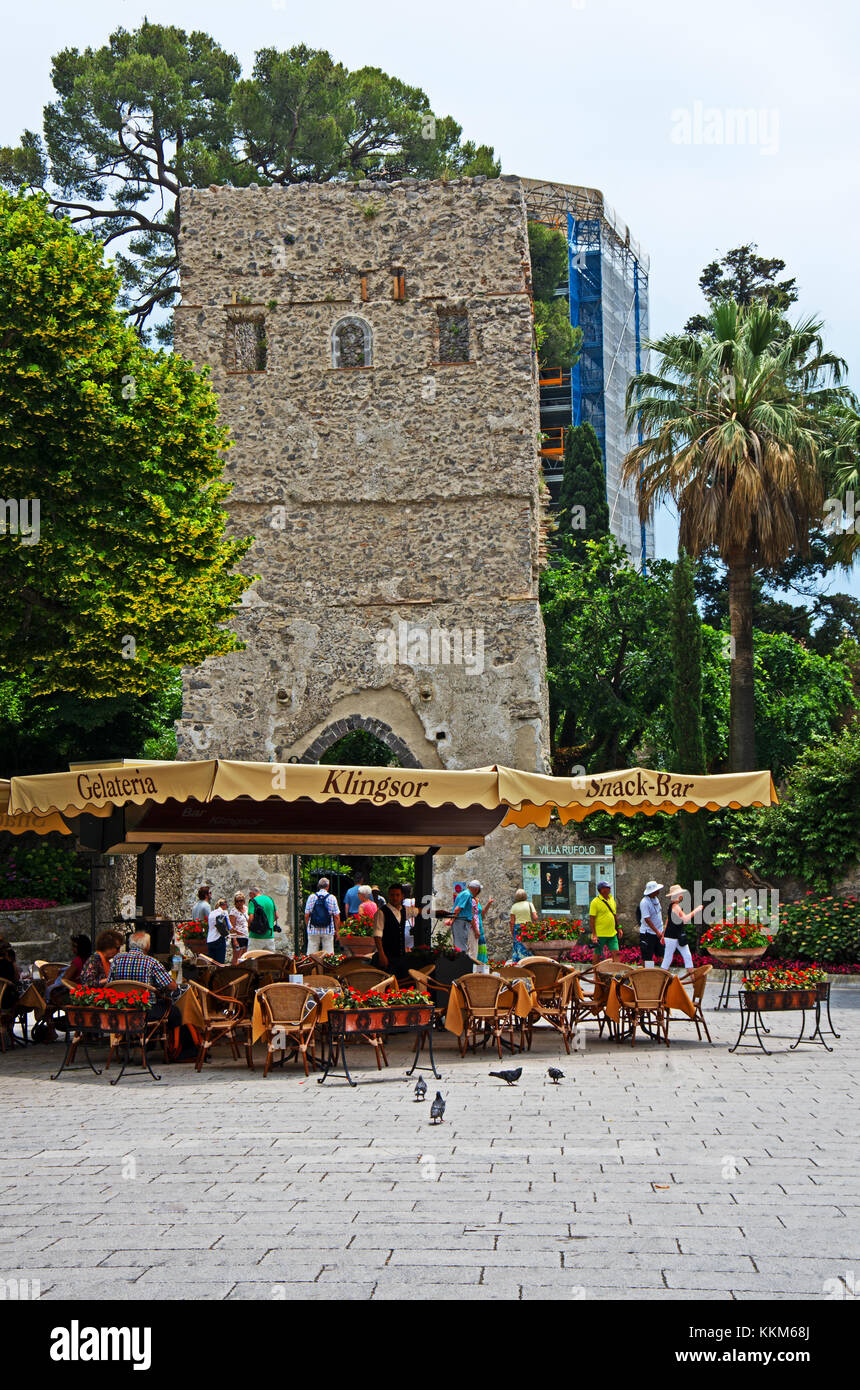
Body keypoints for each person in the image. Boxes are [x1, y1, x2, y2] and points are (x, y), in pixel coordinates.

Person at [106, 930, 181, 1032]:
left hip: (121, 1008)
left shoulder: (117, 959)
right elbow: (171, 986)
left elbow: (109, 983)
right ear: (147, 946)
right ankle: (173, 1045)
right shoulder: (151, 962)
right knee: (175, 1012)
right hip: (145, 1010)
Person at [452, 880, 493, 968]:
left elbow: (479, 915)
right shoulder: (468, 897)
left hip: (472, 926)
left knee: (469, 951)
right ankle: (469, 973)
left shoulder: (467, 896)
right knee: (472, 952)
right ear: (477, 889)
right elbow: (471, 916)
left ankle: (468, 971)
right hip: (471, 927)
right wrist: (476, 930)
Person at [661, 885, 703, 970]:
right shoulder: (675, 907)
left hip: (677, 935)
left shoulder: (672, 905)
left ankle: (693, 979)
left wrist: (663, 935)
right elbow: (685, 919)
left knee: (687, 956)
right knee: (668, 959)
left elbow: (667, 920)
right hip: (672, 936)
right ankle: (660, 979)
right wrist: (697, 910)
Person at [373, 883, 408, 976]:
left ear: (402, 896)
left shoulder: (404, 910)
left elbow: (419, 911)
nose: (395, 898)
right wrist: (381, 954)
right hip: (387, 957)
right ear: (389, 896)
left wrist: (436, 913)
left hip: (400, 957)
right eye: (392, 895)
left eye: (397, 895)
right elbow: (377, 936)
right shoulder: (381, 912)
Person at [46, 933, 92, 1001]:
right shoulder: (89, 959)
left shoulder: (77, 961)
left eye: (74, 946)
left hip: (73, 990)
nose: (72, 949)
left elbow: (65, 979)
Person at [304, 878, 341, 954]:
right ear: (328, 886)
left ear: (318, 886)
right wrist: (337, 931)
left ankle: (312, 965)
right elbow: (336, 916)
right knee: (328, 953)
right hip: (328, 929)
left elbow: (306, 914)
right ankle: (326, 965)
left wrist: (308, 926)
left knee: (312, 953)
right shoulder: (332, 898)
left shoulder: (311, 897)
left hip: (313, 929)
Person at [588, 879, 620, 963]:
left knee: (616, 953)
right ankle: (595, 974)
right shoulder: (595, 902)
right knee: (597, 954)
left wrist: (619, 928)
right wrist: (594, 935)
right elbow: (591, 920)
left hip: (612, 933)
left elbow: (614, 915)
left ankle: (616, 974)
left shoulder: (611, 899)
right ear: (602, 890)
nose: (609, 888)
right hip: (600, 934)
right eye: (607, 887)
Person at [638, 880, 665, 967]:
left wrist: (661, 930)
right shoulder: (644, 902)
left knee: (661, 953)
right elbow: (647, 919)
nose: (658, 891)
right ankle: (647, 974)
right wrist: (656, 931)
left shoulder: (656, 899)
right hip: (648, 933)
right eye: (656, 890)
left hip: (658, 932)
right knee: (647, 956)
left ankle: (663, 972)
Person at [509, 888, 538, 962]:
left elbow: (512, 922)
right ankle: (528, 961)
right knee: (528, 945)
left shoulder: (514, 906)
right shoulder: (529, 904)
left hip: (517, 928)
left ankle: (517, 963)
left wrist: (512, 932)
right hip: (527, 927)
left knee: (518, 946)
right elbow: (535, 917)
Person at [247, 886, 279, 952]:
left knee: (252, 959)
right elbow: (277, 916)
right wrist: (268, 922)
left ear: (252, 893)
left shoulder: (253, 901)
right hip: (269, 936)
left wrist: (249, 929)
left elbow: (251, 918)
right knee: (268, 960)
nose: (250, 897)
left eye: (250, 895)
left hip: (255, 936)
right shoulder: (270, 900)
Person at [205, 898, 232, 965]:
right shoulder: (223, 912)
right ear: (224, 905)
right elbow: (229, 926)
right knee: (220, 963)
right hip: (219, 939)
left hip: (210, 940)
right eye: (227, 906)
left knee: (212, 963)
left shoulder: (211, 913)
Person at [228, 893, 249, 964]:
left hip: (246, 936)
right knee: (237, 957)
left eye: (241, 900)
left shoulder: (246, 909)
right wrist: (234, 940)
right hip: (238, 937)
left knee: (244, 957)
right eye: (237, 901)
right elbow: (231, 928)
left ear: (244, 901)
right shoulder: (233, 912)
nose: (239, 903)